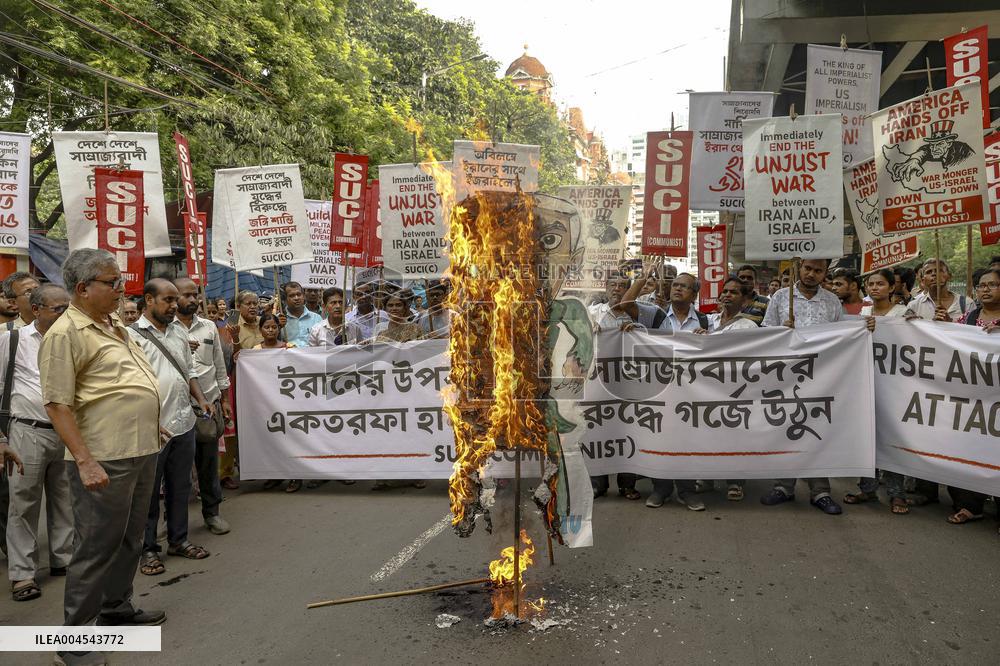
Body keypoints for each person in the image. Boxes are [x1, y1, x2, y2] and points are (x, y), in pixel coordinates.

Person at [39, 249, 165, 658]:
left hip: (141, 447)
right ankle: (74, 642)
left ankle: (115, 609)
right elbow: (58, 404)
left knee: (131, 537)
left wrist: (151, 420)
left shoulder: (111, 326)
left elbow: (123, 383)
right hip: (104, 457)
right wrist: (85, 460)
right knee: (95, 547)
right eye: (112, 283)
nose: (120, 289)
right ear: (83, 288)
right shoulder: (65, 334)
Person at [130, 279, 213, 577]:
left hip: (183, 423)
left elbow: (188, 370)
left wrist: (201, 398)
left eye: (175, 300)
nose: (174, 305)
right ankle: (148, 549)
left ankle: (179, 540)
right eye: (167, 300)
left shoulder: (178, 330)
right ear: (149, 300)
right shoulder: (131, 336)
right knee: (149, 493)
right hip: (154, 428)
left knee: (180, 487)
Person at [1, 284, 73, 603]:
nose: (64, 314)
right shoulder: (12, 340)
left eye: (67, 308)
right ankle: (22, 573)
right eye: (58, 309)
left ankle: (64, 559)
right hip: (26, 432)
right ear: (37, 309)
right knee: (23, 504)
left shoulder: (73, 340)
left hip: (67, 432)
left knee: (65, 498)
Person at [760, 258, 846, 515]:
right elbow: (765, 333)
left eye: (818, 270)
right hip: (786, 376)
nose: (811, 274)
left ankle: (820, 491)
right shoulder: (779, 297)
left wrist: (866, 328)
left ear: (825, 273)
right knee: (786, 428)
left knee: (818, 430)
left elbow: (844, 335)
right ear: (799, 268)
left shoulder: (832, 301)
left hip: (822, 376)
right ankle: (783, 486)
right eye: (807, 268)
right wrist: (780, 332)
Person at [589, 269, 668, 501]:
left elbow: (651, 340)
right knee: (598, 431)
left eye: (623, 285)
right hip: (598, 384)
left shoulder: (635, 315)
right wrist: (589, 332)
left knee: (628, 431)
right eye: (612, 284)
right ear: (605, 288)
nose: (616, 289)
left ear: (629, 291)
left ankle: (627, 484)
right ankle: (598, 483)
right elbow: (577, 339)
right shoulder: (592, 313)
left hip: (630, 382)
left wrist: (636, 332)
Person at [845, 269, 908, 514]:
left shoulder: (904, 314)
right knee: (867, 437)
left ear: (892, 287)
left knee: (892, 438)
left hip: (895, 385)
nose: (874, 288)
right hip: (865, 383)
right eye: (870, 284)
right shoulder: (863, 313)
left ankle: (896, 493)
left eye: (880, 284)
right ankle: (868, 488)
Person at [173, 279, 232, 536]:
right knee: (176, 469)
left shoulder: (208, 327)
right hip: (174, 408)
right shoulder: (164, 330)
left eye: (195, 294)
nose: (193, 299)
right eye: (187, 295)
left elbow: (219, 366)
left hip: (207, 405)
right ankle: (175, 522)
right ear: (173, 298)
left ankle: (212, 513)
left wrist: (225, 399)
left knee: (208, 464)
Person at [944, 268, 1000, 529]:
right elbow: (942, 344)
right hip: (971, 401)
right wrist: (934, 324)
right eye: (981, 285)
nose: (985, 289)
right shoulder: (967, 320)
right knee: (967, 450)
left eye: (993, 284)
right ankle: (970, 505)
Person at [648, 271, 706, 511]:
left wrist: (709, 339)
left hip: (691, 393)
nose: (677, 289)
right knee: (659, 437)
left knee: (687, 440)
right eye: (675, 285)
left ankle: (686, 490)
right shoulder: (656, 317)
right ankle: (661, 488)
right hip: (660, 390)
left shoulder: (705, 321)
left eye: (684, 286)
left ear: (694, 294)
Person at [703, 278, 758, 501]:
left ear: (744, 300)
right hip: (705, 389)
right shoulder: (708, 321)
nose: (727, 295)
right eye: (724, 291)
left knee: (734, 437)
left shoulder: (749, 327)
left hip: (736, 390)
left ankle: (735, 481)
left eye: (734, 293)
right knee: (707, 433)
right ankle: (705, 477)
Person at [904, 258, 971, 322]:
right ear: (923, 280)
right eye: (929, 272)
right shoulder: (914, 306)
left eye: (939, 270)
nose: (934, 274)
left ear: (949, 276)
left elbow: (974, 332)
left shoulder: (967, 304)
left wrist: (950, 322)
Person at [281, 281, 322, 348]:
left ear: (303, 296)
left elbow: (322, 342)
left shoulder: (317, 318)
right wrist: (278, 326)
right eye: (292, 295)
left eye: (299, 294)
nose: (296, 298)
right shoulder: (279, 319)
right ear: (285, 299)